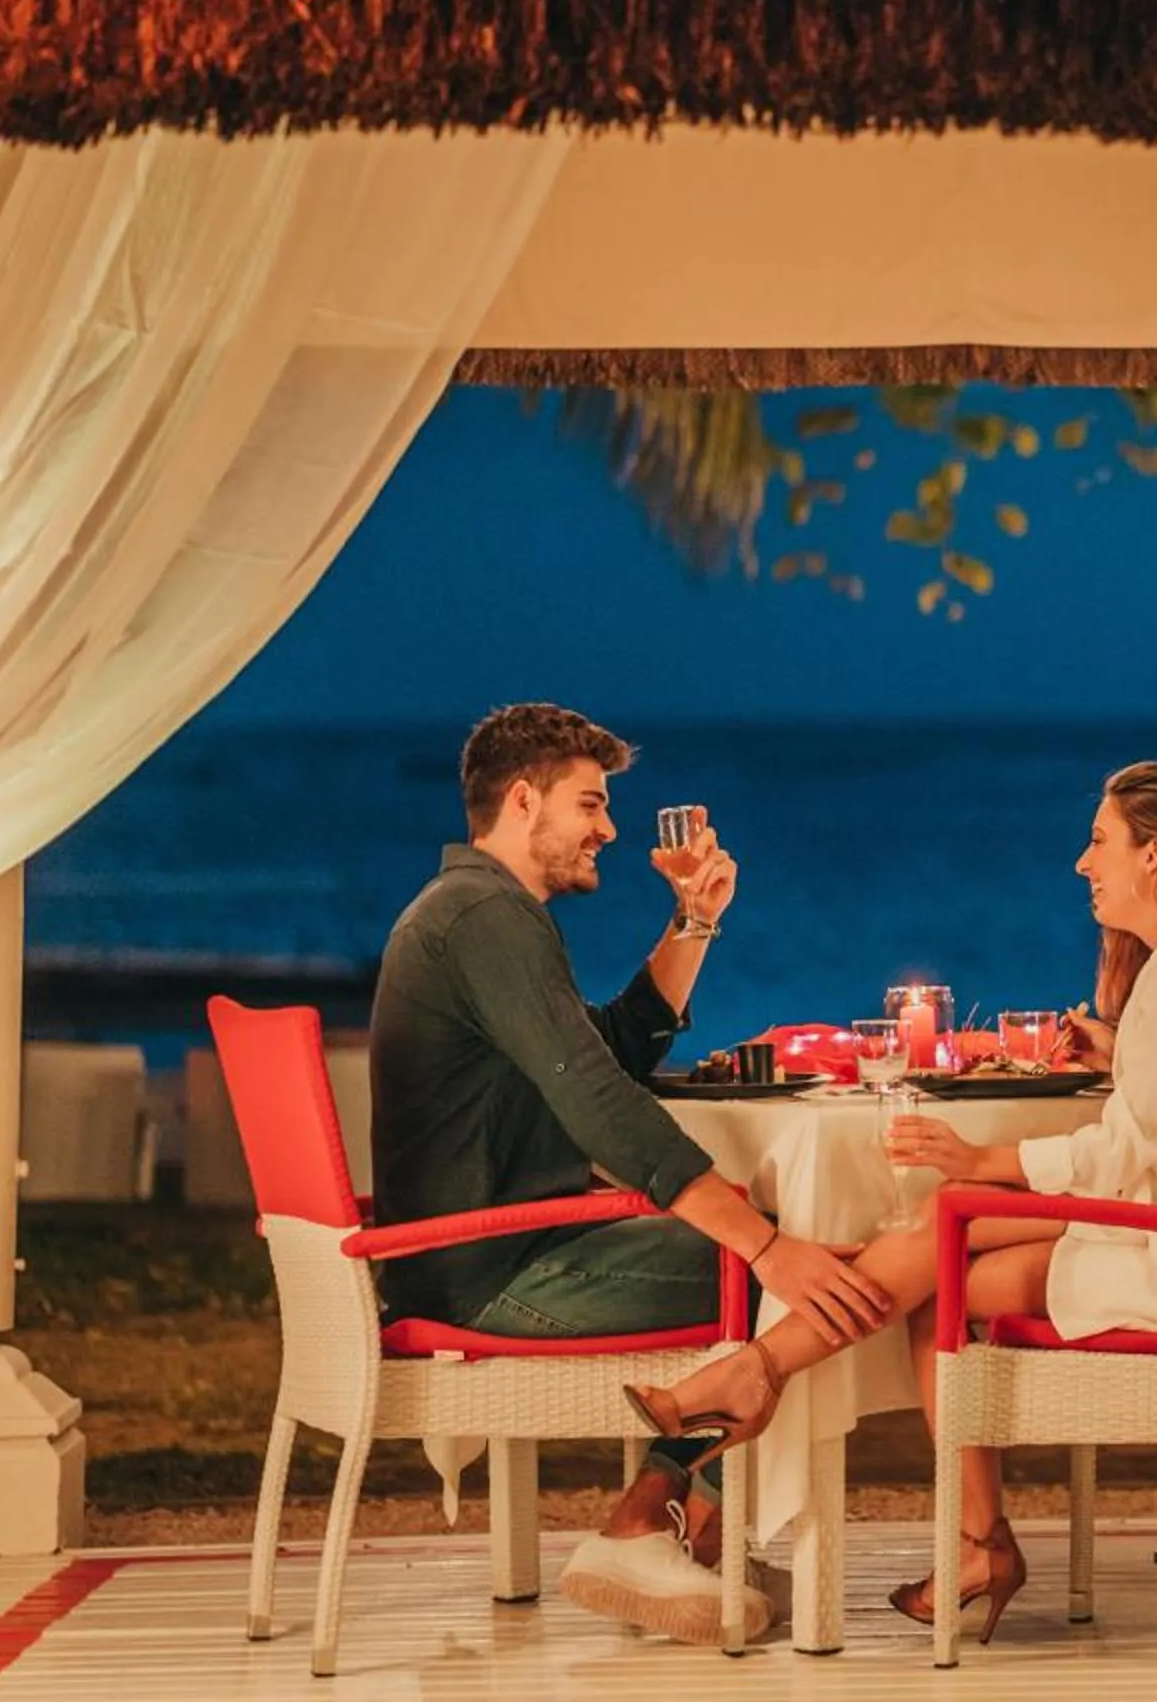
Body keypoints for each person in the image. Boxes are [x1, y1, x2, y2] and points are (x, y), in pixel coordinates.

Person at [616, 760, 1157, 1643]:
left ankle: (757, 1376)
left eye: (1100, 842)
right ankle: (962, 1531)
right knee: (940, 1248)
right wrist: (1120, 1053)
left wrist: (983, 1155)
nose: (1083, 864)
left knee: (947, 1220)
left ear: (1154, 855)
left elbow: (1125, 1150)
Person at [366, 702, 893, 1645]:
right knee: (811, 1278)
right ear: (523, 802)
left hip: (493, 1249)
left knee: (799, 1265)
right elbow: (603, 1106)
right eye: (591, 804)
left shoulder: (481, 911)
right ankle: (653, 1520)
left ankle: (691, 1523)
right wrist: (769, 1249)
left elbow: (608, 1052)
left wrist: (693, 920)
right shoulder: (486, 916)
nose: (608, 829)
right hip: (492, 1275)